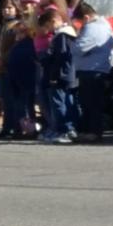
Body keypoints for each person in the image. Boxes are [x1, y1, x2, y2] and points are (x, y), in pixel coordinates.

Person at [71, 3, 113, 143]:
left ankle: (94, 131)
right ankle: (88, 130)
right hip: (91, 69)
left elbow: (79, 48)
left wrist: (71, 42)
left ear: (86, 17)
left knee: (92, 102)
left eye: (80, 21)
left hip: (93, 70)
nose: (79, 25)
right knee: (87, 102)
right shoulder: (102, 25)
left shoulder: (94, 27)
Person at [38, 9, 78, 144]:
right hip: (68, 74)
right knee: (67, 102)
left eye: (48, 26)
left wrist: (54, 74)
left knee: (59, 103)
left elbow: (61, 57)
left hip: (61, 75)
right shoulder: (67, 34)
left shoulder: (62, 36)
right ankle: (68, 129)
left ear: (53, 21)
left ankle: (65, 130)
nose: (48, 30)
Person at [0, 0, 24, 138]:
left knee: (15, 99)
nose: (6, 10)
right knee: (5, 99)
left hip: (13, 66)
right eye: (4, 8)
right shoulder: (0, 27)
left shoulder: (18, 26)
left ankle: (18, 127)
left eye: (10, 8)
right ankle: (7, 127)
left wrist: (4, 59)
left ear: (16, 9)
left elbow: (16, 45)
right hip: (1, 67)